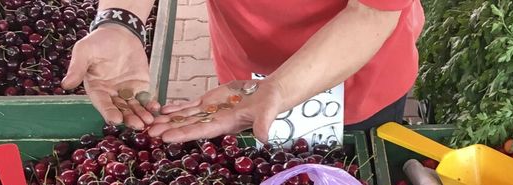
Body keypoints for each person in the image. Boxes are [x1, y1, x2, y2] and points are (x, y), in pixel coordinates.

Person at [62, 0, 423, 144]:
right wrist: (120, 21)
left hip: (360, 75)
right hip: (244, 78)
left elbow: (372, 12)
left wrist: (280, 89)